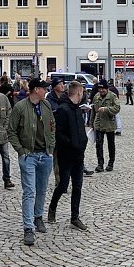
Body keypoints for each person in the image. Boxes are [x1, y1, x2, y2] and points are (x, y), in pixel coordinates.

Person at [7, 77, 55, 247]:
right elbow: (11, 131)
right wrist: (21, 151)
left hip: (45, 155)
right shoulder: (20, 107)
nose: (46, 91)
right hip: (29, 155)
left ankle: (38, 217)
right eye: (44, 88)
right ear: (36, 90)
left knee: (42, 190)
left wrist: (51, 149)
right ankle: (28, 228)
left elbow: (52, 126)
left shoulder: (46, 105)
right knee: (29, 191)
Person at [48, 81, 89, 231]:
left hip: (79, 155)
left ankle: (74, 217)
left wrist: (82, 142)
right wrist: (71, 143)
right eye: (82, 92)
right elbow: (57, 133)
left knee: (77, 186)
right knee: (63, 185)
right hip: (66, 155)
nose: (83, 94)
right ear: (78, 92)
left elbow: (81, 130)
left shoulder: (77, 109)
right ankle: (52, 208)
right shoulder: (63, 110)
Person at [91, 79, 121, 172]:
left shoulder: (112, 96)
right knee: (99, 145)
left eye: (103, 89)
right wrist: (91, 123)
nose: (101, 91)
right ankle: (100, 164)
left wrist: (106, 109)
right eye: (99, 89)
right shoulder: (96, 96)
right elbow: (93, 110)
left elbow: (117, 108)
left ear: (106, 88)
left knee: (111, 145)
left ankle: (111, 163)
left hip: (109, 124)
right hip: (99, 123)